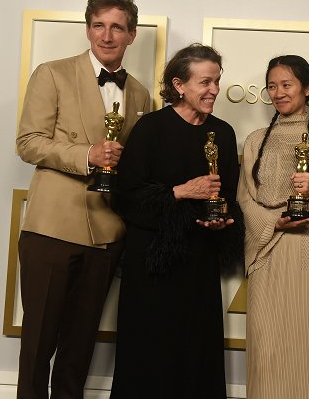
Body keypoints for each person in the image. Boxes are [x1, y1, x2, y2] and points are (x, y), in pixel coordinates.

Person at [15, 0, 150, 399]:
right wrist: (86, 154)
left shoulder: (141, 94)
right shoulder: (52, 73)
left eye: (117, 28)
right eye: (98, 26)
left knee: (80, 344)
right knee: (38, 340)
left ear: (132, 35)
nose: (106, 36)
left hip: (106, 232)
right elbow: (28, 142)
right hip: (52, 226)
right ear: (88, 28)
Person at [109, 44, 243, 398]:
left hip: (200, 264)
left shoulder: (224, 134)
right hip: (152, 265)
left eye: (216, 81)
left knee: (197, 352)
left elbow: (227, 196)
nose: (214, 90)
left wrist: (223, 221)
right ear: (178, 85)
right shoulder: (150, 129)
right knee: (150, 354)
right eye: (205, 82)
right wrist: (181, 192)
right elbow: (127, 197)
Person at [238, 55, 309, 399]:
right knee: (267, 345)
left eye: (286, 84)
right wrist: (276, 221)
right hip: (269, 248)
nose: (278, 93)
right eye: (272, 86)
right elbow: (245, 198)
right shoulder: (255, 139)